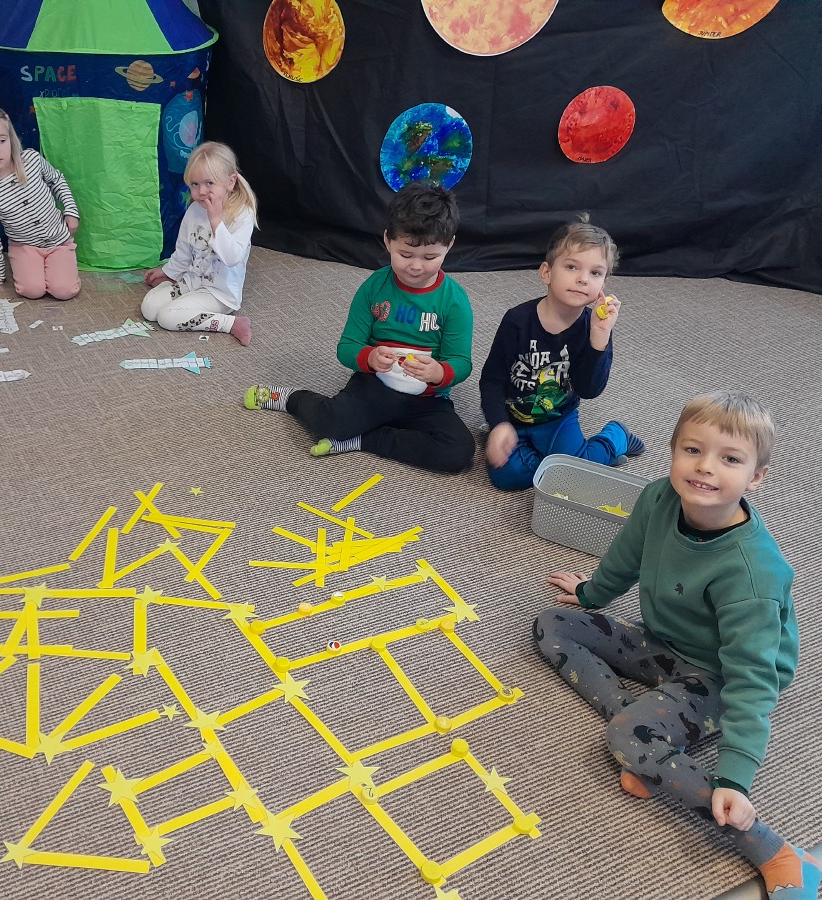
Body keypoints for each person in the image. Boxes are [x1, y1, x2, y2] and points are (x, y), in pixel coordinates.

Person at [535, 392, 818, 900]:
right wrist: (591, 593)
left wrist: (735, 779)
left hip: (723, 676)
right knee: (552, 624)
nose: (705, 467)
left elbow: (753, 681)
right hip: (666, 642)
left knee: (626, 738)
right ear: (673, 452)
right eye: (692, 450)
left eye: (729, 459)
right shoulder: (658, 497)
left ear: (756, 478)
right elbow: (626, 556)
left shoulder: (753, 573)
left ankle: (769, 847)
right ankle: (644, 729)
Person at [243, 181, 474, 472]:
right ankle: (290, 398)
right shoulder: (374, 287)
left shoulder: (454, 301)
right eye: (405, 255)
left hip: (428, 399)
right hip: (376, 385)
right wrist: (370, 358)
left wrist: (440, 372)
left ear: (449, 245)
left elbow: (461, 362)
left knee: (458, 451)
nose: (416, 266)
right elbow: (347, 348)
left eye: (430, 257)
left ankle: (364, 440)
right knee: (332, 423)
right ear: (388, 240)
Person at [479, 214, 644, 490]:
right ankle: (559, 464)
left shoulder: (595, 326)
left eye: (595, 273)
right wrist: (498, 425)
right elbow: (491, 380)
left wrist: (598, 338)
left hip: (558, 419)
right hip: (514, 417)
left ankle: (615, 437)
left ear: (603, 284)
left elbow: (589, 390)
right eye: (571, 267)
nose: (583, 279)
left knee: (571, 476)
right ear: (546, 272)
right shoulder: (517, 321)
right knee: (506, 477)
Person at [0, 103, 80, 300]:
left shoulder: (31, 160)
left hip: (59, 240)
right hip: (24, 246)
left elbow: (57, 180)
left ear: (11, 139)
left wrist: (71, 211)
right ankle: (36, 268)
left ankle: (60, 266)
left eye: (2, 140)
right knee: (32, 291)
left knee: (64, 291)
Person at [142, 141, 258, 345]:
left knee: (167, 317)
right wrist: (168, 272)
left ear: (230, 182)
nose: (202, 191)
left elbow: (232, 258)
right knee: (149, 308)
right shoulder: (195, 209)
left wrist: (215, 220)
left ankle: (231, 324)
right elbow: (183, 251)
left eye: (209, 183)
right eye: (195, 184)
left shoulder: (242, 214)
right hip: (192, 281)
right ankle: (178, 296)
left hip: (219, 294)